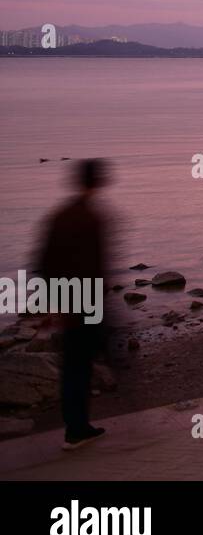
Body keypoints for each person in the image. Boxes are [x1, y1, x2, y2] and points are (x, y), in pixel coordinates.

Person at [33, 159, 115, 450]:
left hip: (69, 302)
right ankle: (78, 428)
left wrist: (48, 306)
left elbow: (43, 262)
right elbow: (97, 267)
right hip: (86, 304)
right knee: (83, 364)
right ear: (97, 182)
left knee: (74, 366)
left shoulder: (60, 216)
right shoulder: (93, 218)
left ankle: (76, 426)